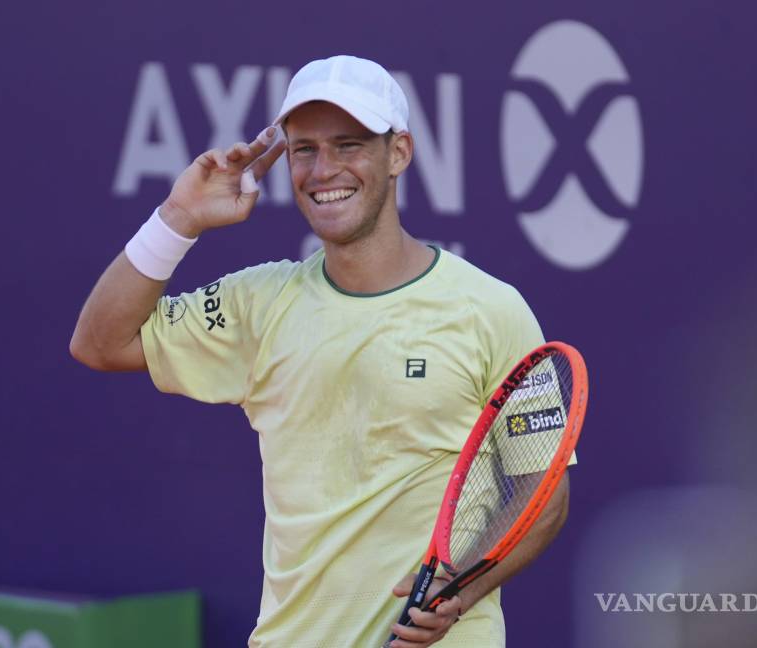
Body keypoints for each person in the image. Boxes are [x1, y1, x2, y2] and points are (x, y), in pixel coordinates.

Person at [70, 55, 570, 647]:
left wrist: (463, 587)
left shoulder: (493, 310)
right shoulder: (259, 303)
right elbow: (99, 342)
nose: (322, 169)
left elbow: (544, 496)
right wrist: (179, 219)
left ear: (399, 153)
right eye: (304, 149)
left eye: (349, 144)